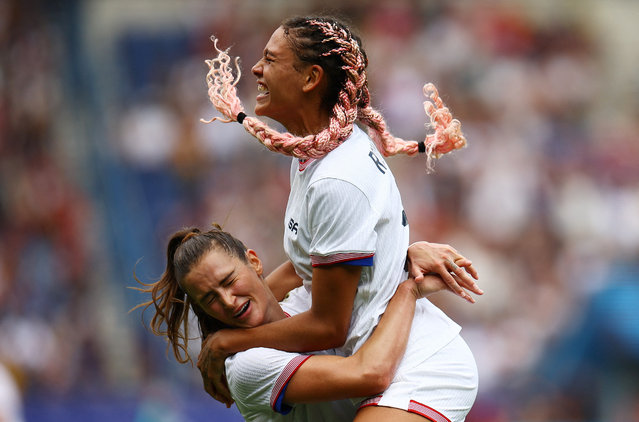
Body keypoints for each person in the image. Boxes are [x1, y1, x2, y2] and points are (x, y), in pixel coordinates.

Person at [199, 16, 482, 421]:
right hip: (376, 356)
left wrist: (228, 342)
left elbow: (329, 327)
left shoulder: (335, 178)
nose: (257, 69)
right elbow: (308, 269)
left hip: (415, 366)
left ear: (311, 78)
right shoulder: (317, 154)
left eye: (270, 59)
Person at [135, 226, 478, 421]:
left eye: (228, 281)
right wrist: (410, 289)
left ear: (254, 261)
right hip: (397, 384)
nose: (226, 301)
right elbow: (371, 374)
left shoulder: (302, 301)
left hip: (431, 376)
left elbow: (330, 258)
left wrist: (408, 251)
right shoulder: (246, 367)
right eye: (209, 299)